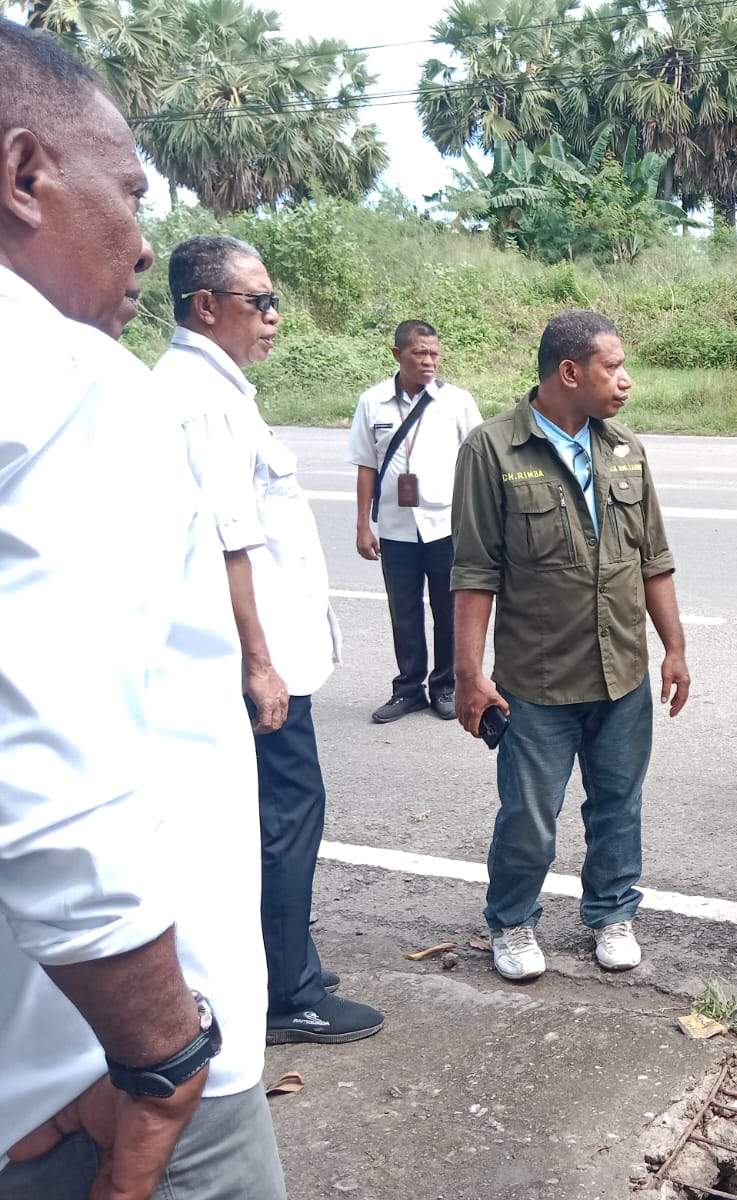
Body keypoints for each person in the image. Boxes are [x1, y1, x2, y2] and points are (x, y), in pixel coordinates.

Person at [0, 20, 284, 1198]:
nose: (143, 236)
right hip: (101, 1070)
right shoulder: (64, 379)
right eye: (129, 190)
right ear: (25, 175)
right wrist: (165, 1052)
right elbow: (41, 769)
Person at [154, 235, 384, 1047]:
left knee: (270, 816)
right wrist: (259, 663)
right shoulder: (202, 398)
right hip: (252, 664)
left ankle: (282, 963)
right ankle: (288, 993)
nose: (275, 317)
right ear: (206, 306)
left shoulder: (215, 388)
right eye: (261, 301)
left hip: (258, 658)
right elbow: (228, 542)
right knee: (287, 816)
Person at [451, 309, 690, 983]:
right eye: (612, 368)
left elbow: (655, 561)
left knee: (619, 804)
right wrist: (470, 675)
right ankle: (514, 921)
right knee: (529, 815)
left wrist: (673, 648)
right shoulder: (492, 451)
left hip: (622, 673)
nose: (626, 381)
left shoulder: (626, 450)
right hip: (538, 681)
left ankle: (612, 912)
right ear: (569, 372)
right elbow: (473, 576)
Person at [348, 320, 482, 724]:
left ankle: (445, 686)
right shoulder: (373, 402)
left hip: (445, 526)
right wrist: (361, 525)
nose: (429, 361)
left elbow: (478, 461)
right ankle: (408, 688)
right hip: (395, 527)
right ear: (397, 354)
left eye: (434, 354)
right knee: (403, 610)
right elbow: (366, 466)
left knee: (447, 608)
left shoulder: (456, 402)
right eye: (419, 353)